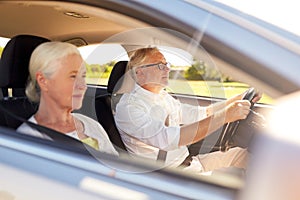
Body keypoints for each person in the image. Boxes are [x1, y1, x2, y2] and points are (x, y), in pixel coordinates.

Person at [114, 47, 260, 173]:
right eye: (159, 65)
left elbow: (203, 113)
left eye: (166, 64)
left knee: (248, 156)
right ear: (140, 72)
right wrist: (225, 116)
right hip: (170, 175)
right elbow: (170, 139)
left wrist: (240, 98)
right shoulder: (128, 108)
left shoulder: (163, 97)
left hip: (190, 162)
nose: (167, 68)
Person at [17, 41, 118, 156]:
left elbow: (116, 166)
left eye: (83, 76)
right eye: (73, 76)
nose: (83, 85)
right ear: (43, 81)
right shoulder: (27, 140)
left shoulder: (90, 124)